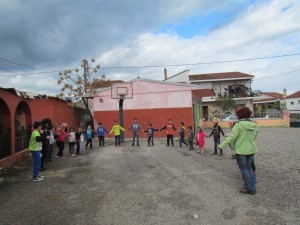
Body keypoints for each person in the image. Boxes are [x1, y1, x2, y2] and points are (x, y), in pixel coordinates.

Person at [218, 107, 258, 194]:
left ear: (239, 115)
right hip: (251, 149)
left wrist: (221, 145)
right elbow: (255, 136)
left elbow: (232, 137)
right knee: (249, 168)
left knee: (244, 169)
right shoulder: (254, 125)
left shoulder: (238, 125)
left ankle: (250, 188)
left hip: (241, 151)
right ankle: (251, 186)